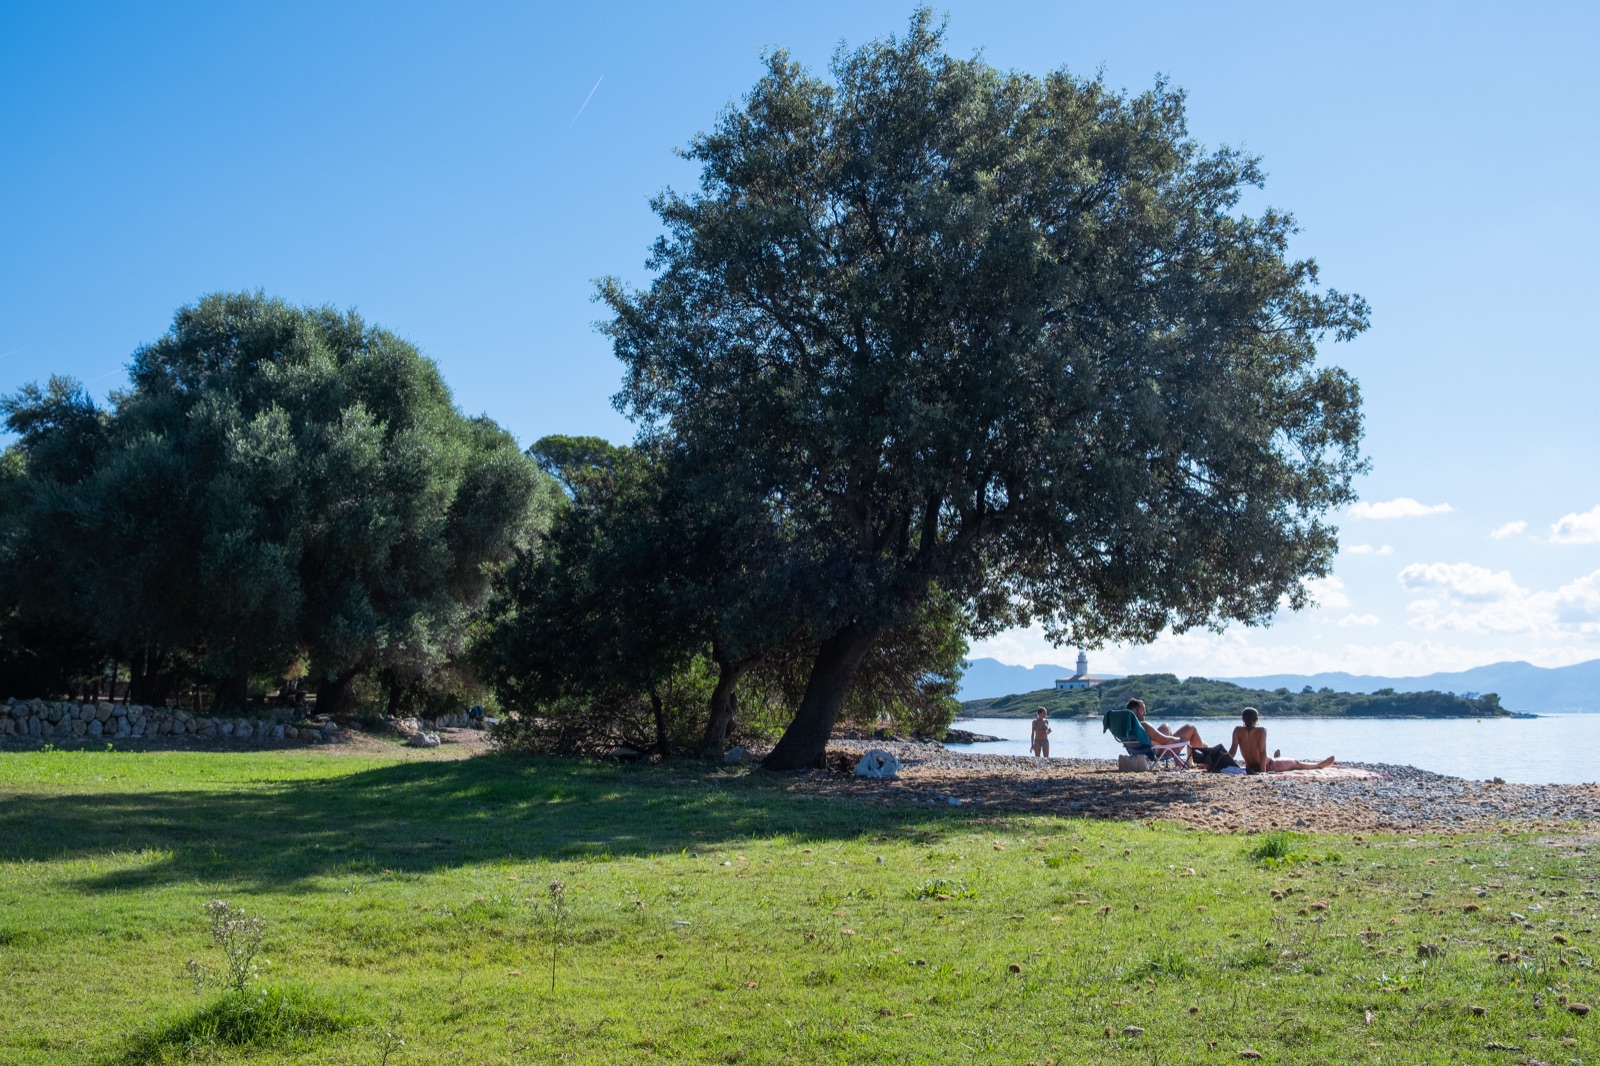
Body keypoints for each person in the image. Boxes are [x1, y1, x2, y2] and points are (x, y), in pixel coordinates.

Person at [1227, 707, 1335, 773]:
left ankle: (1277, 758)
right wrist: (1263, 772)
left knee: (1281, 760)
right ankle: (1318, 765)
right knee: (1296, 763)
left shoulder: (1237, 730)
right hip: (1269, 766)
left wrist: (1221, 764)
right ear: (1257, 719)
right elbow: (1262, 752)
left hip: (1250, 767)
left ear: (1242, 719)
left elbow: (1232, 751)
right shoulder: (1261, 730)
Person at [1127, 698, 1206, 757]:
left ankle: (1201, 750)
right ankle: (1204, 760)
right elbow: (1165, 740)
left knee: (1165, 726)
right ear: (1134, 711)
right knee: (1191, 728)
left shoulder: (1126, 726)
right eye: (1143, 710)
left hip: (1140, 751)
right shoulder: (1143, 725)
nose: (1145, 713)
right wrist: (1181, 740)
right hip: (1156, 751)